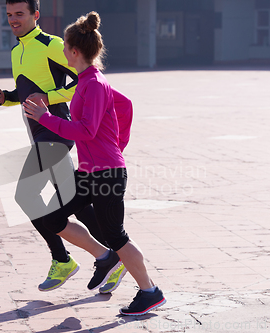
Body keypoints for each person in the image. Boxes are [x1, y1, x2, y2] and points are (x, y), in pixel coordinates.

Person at [23, 11, 166, 316]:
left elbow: (86, 129)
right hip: (91, 171)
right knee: (52, 215)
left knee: (117, 235)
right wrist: (116, 143)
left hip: (106, 173)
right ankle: (105, 257)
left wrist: (45, 118)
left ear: (74, 51)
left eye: (65, 48)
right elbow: (124, 105)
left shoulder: (94, 84)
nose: (62, 51)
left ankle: (149, 291)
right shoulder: (87, 81)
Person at [0, 0, 126, 294]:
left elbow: (83, 80)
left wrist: (48, 100)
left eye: (20, 14)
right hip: (39, 131)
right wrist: (7, 97)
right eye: (10, 14)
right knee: (75, 203)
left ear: (35, 15)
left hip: (56, 130)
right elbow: (28, 91)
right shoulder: (16, 50)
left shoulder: (52, 45)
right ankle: (117, 256)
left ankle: (65, 258)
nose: (14, 20)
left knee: (26, 195)